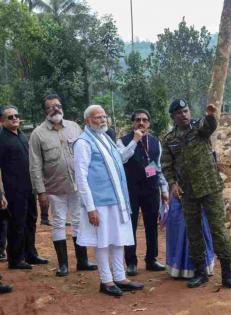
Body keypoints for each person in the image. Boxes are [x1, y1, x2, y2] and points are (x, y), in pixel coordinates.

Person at [161, 99, 231, 289]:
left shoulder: (199, 128)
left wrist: (211, 115)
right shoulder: (169, 139)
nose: (184, 115)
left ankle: (227, 273)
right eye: (179, 113)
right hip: (187, 192)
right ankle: (200, 272)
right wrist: (172, 184)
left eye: (186, 111)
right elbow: (166, 165)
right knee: (193, 231)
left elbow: (209, 126)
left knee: (218, 229)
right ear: (173, 117)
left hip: (209, 187)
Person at [73, 105, 143, 296]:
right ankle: (106, 281)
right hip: (99, 202)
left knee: (117, 238)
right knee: (102, 242)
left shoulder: (105, 138)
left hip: (117, 200)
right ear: (88, 121)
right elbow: (81, 177)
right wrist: (90, 208)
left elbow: (119, 159)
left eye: (104, 116)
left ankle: (120, 277)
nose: (103, 120)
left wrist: (134, 142)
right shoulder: (83, 143)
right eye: (98, 117)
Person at [29, 94, 97, 276]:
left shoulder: (74, 127)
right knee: (58, 223)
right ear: (45, 111)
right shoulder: (38, 134)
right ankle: (63, 265)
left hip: (77, 185)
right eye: (51, 107)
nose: (56, 109)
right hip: (54, 188)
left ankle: (82, 261)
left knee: (78, 222)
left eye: (58, 105)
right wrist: (40, 192)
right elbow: (35, 165)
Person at [117, 109, 168, 276]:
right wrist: (134, 141)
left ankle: (151, 259)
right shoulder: (123, 141)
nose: (141, 123)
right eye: (137, 119)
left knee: (151, 225)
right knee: (130, 225)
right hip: (130, 190)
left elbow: (157, 166)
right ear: (133, 123)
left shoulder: (155, 142)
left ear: (149, 123)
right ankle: (131, 262)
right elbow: (121, 158)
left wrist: (164, 189)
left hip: (151, 189)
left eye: (144, 120)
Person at [0, 105, 48, 269]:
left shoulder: (22, 136)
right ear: (2, 121)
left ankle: (31, 254)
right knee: (17, 224)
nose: (14, 118)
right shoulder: (1, 139)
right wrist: (2, 193)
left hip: (28, 187)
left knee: (30, 220)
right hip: (12, 190)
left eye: (16, 115)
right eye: (10, 117)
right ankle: (16, 259)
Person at [165, 196, 215, 278]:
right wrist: (173, 184)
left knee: (196, 225)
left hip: (198, 193)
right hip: (179, 192)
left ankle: (201, 268)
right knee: (179, 225)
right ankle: (179, 267)